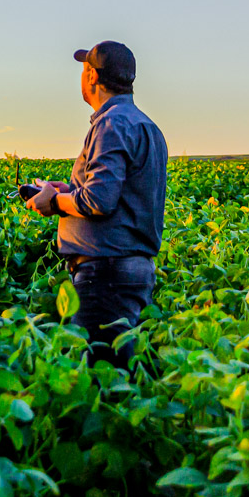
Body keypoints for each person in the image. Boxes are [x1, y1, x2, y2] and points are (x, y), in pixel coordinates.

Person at [26, 40, 167, 371]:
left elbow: (99, 200)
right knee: (119, 371)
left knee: (101, 376)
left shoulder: (111, 124)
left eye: (84, 69)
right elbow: (119, 192)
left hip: (106, 274)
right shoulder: (146, 125)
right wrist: (68, 190)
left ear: (92, 76)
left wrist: (54, 201)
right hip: (130, 269)